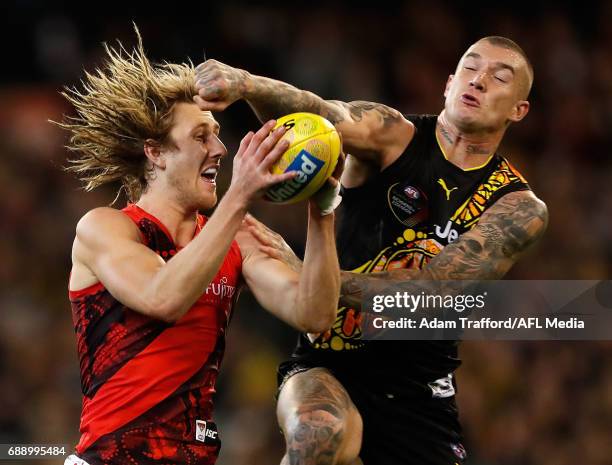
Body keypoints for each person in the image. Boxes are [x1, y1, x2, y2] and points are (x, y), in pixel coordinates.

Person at [194, 36, 549, 465]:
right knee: (316, 433)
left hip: (417, 391)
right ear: (449, 82)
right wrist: (246, 83)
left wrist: (314, 278)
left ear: (519, 110)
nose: (480, 81)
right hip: (327, 363)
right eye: (471, 68)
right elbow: (319, 115)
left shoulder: (517, 207)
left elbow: (431, 291)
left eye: (499, 77)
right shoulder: (392, 134)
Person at [55, 30, 342, 465]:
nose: (221, 149)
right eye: (201, 137)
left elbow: (314, 313)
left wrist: (321, 212)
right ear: (155, 153)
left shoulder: (236, 234)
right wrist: (239, 195)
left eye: (218, 135)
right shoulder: (104, 229)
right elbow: (163, 296)